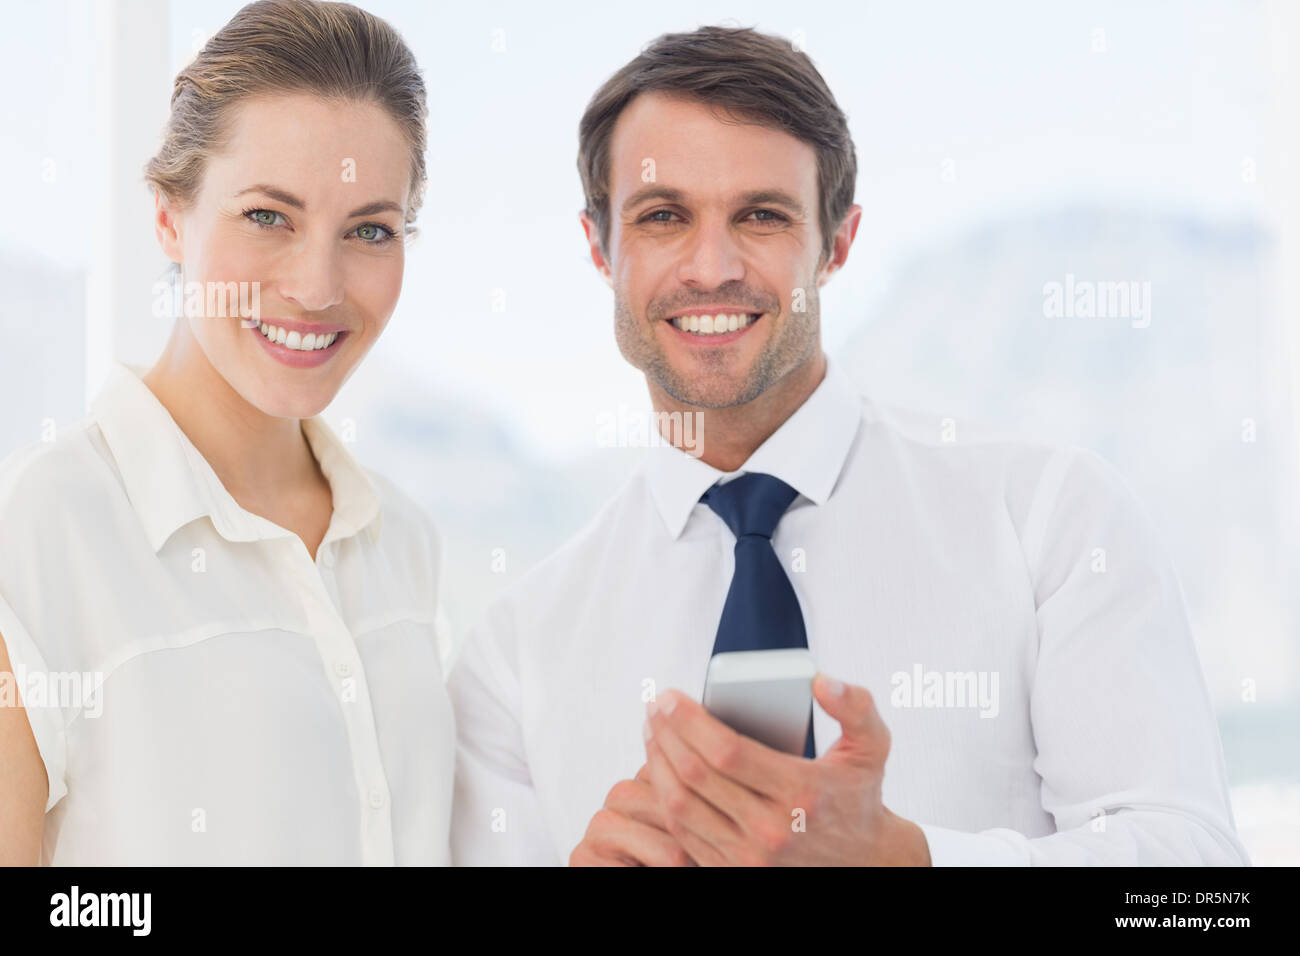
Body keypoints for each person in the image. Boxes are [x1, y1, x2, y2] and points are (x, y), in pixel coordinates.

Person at [446, 25, 1249, 866]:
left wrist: (909, 859)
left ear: (836, 243)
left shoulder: (1052, 521)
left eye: (761, 215)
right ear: (599, 247)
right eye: (662, 216)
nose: (711, 266)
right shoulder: (513, 657)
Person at [0, 0, 452, 865]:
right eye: (267, 216)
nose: (318, 287)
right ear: (171, 215)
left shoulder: (405, 542)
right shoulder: (36, 533)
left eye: (369, 230)